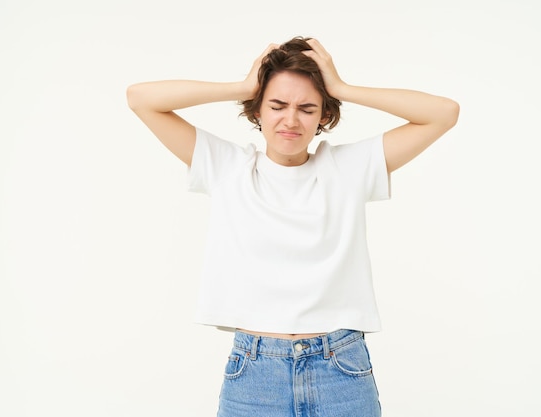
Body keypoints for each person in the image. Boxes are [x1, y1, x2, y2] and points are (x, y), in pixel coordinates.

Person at [127, 36, 459, 417]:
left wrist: (342, 88)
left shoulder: (348, 168)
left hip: (340, 369)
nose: (290, 119)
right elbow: (140, 98)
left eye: (306, 108)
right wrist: (240, 87)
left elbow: (444, 112)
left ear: (323, 116)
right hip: (254, 372)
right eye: (277, 105)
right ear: (257, 111)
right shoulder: (227, 167)